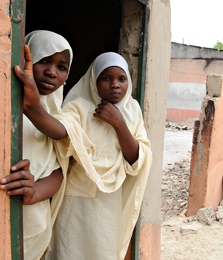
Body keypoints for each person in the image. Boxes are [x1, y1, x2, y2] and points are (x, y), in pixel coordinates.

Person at [15, 51, 152, 259]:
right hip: (75, 202)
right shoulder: (79, 107)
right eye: (106, 78)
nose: (115, 84)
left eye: (121, 79)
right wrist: (32, 108)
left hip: (109, 203)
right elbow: (61, 130)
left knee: (103, 251)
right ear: (93, 81)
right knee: (69, 250)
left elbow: (137, 159)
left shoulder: (132, 111)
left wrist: (118, 123)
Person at [0, 30, 73, 260]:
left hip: (33, 228)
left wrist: (34, 191)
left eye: (62, 67)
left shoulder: (60, 117)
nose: (52, 72)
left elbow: (60, 171)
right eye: (44, 61)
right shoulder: (7, 106)